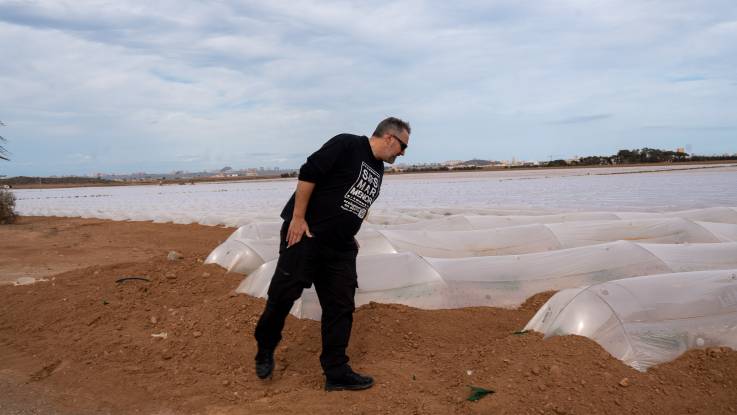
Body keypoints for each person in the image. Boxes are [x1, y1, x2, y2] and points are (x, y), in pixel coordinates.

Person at [253, 117, 411, 391]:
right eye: (402, 146)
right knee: (282, 297)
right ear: (389, 137)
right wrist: (298, 218)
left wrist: (349, 233)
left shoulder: (377, 168)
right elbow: (308, 173)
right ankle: (265, 346)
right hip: (306, 236)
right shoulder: (347, 144)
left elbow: (356, 202)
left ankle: (336, 371)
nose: (402, 153)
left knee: (341, 307)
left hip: (340, 248)